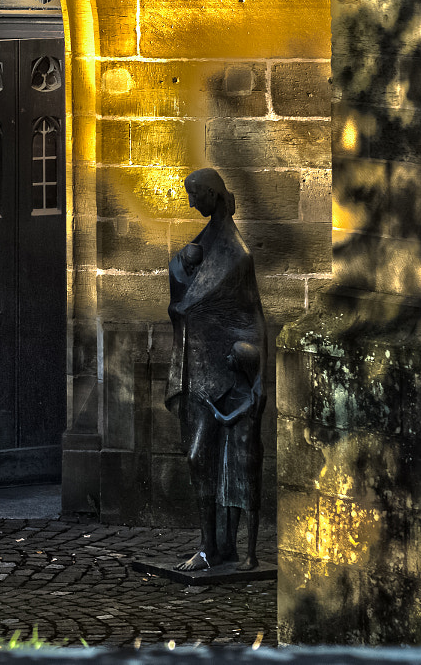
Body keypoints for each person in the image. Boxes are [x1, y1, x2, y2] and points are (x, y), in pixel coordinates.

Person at [165, 168, 266, 571]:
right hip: (195, 366)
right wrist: (179, 267)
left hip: (222, 371)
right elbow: (183, 298)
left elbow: (251, 317)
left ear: (212, 194)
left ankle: (219, 547)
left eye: (194, 196)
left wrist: (255, 374)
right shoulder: (206, 241)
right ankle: (213, 544)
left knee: (215, 461)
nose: (190, 204)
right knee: (198, 458)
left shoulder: (237, 255)